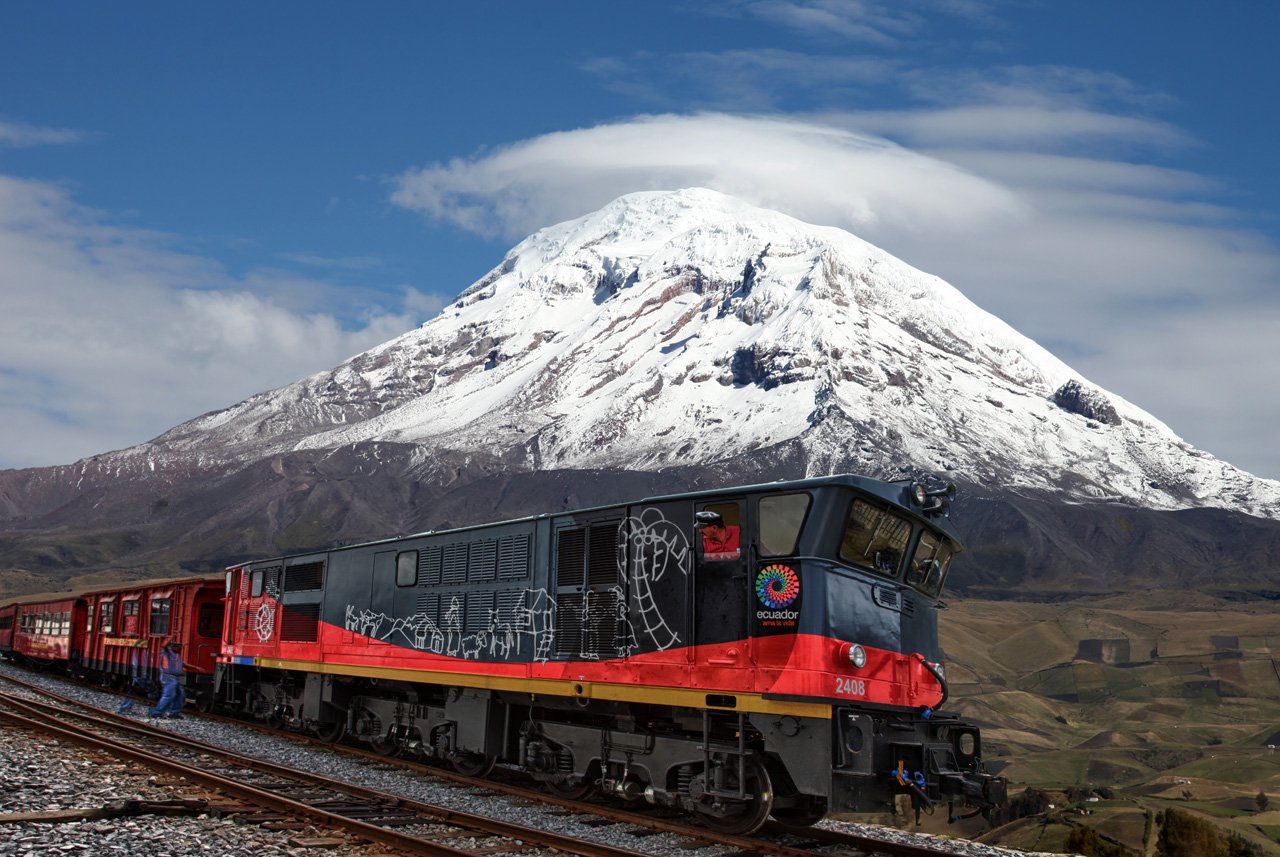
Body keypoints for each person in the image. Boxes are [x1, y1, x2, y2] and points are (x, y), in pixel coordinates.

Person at [148, 640, 185, 719]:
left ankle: (174, 713)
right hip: (168, 677)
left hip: (176, 677)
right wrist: (170, 638)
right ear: (172, 647)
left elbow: (182, 664)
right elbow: (163, 645)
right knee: (168, 696)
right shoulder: (167, 652)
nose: (180, 648)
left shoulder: (177, 655)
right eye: (178, 646)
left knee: (180, 695)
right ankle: (157, 713)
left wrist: (195, 668)